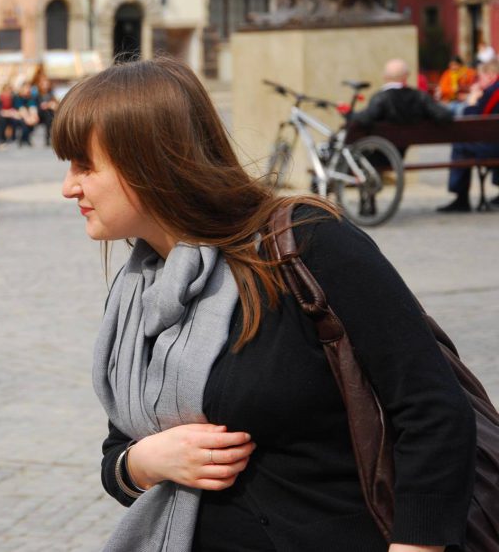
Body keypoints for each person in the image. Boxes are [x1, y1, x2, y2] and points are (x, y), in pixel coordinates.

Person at [53, 57, 476, 552]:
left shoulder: (306, 244)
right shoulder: (137, 295)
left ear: (148, 161)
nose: (69, 187)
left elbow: (434, 411)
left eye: (85, 165)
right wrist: (147, 461)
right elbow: (118, 457)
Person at [351, 58, 452, 156]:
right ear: (406, 76)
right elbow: (444, 115)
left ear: (385, 76)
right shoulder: (420, 96)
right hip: (401, 153)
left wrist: (348, 114)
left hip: (381, 154)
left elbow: (365, 119)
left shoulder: (381, 97)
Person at [438, 58, 499, 213]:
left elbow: (474, 121)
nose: (478, 81)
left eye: (480, 77)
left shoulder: (492, 92)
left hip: (494, 148)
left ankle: (461, 197)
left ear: (491, 75)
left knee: (460, 145)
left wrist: (471, 101)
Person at [37, 76, 58, 146]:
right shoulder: (38, 94)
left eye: (47, 84)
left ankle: (49, 137)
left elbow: (55, 103)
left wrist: (50, 105)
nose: (45, 86)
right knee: (48, 115)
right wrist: (48, 105)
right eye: (44, 84)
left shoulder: (51, 94)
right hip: (40, 113)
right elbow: (40, 106)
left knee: (49, 115)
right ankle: (48, 137)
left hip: (49, 113)